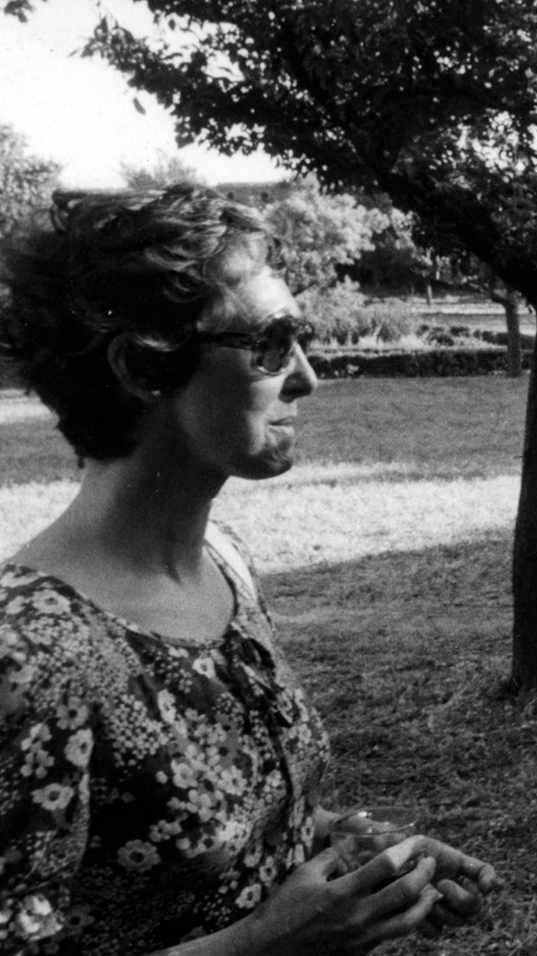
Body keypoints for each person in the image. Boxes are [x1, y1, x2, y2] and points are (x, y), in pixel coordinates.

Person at [0, 185, 499, 955]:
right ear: (143, 366)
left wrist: (359, 862)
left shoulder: (225, 564)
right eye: (271, 341)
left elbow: (209, 835)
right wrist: (265, 945)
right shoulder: (30, 657)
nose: (306, 376)